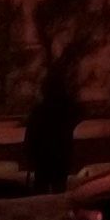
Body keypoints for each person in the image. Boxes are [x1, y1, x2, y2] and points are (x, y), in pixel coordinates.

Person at [23, 66, 82, 194]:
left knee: (41, 191)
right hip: (60, 157)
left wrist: (29, 154)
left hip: (43, 158)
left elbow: (31, 134)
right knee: (59, 190)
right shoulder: (67, 109)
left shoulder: (40, 111)